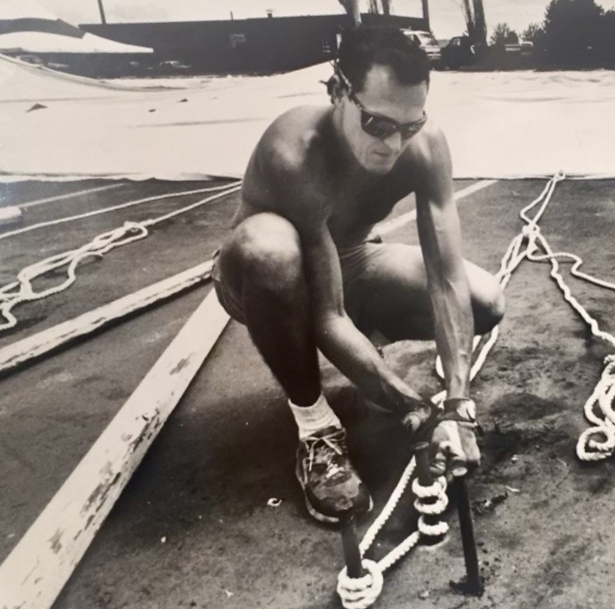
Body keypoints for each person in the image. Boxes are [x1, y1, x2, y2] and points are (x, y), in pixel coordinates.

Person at [213, 26, 505, 524]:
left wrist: (457, 405)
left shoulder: (426, 147)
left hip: (351, 258)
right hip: (266, 276)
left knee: (485, 299)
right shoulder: (294, 152)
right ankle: (314, 425)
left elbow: (447, 278)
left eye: (409, 127)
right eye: (377, 124)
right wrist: (412, 404)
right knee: (271, 250)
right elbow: (327, 314)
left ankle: (365, 356)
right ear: (338, 92)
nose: (393, 144)